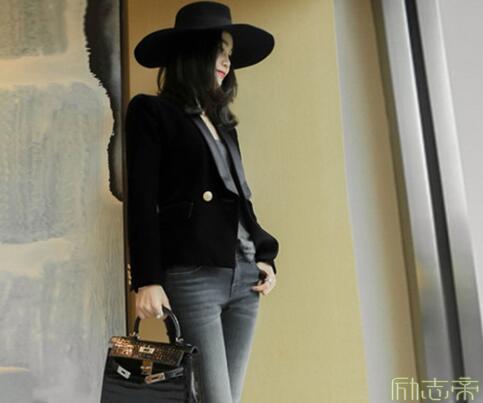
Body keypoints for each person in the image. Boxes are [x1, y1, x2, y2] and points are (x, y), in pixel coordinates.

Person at [125, 2, 279, 402]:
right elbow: (141, 200)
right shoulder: (151, 111)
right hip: (194, 275)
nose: (227, 62)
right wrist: (147, 278)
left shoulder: (224, 125)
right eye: (219, 51)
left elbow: (241, 198)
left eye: (229, 54)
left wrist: (265, 255)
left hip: (244, 274)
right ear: (193, 54)